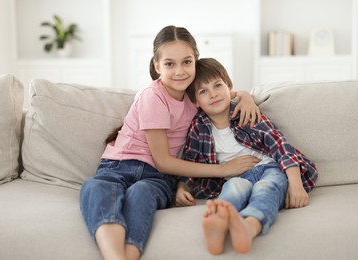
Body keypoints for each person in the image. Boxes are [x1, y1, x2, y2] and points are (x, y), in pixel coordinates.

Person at [79, 26, 261, 260]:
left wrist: (246, 98)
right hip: (118, 166)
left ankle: (130, 253)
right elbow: (163, 161)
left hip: (156, 178)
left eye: (186, 62)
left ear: (195, 61)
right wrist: (223, 170)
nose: (180, 72)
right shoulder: (152, 96)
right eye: (169, 64)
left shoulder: (196, 95)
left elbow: (228, 93)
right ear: (157, 66)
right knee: (96, 187)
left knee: (141, 193)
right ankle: (115, 256)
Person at [175, 58, 318, 255]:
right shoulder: (198, 127)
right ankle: (219, 220)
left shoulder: (245, 112)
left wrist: (295, 183)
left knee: (266, 187)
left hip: (269, 168)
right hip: (236, 176)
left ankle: (250, 225)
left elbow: (279, 145)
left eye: (218, 85)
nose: (213, 94)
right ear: (195, 101)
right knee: (234, 187)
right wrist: (182, 187)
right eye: (203, 91)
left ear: (229, 87)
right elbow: (191, 161)